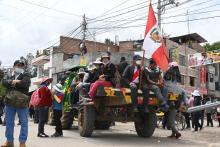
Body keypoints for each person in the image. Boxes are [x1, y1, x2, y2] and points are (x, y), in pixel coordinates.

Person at [1, 60, 31, 147]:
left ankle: (22, 142)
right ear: (14, 66)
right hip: (9, 102)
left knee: (24, 123)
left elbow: (26, 83)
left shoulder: (26, 75)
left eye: (21, 66)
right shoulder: (10, 75)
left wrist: (16, 82)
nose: (20, 67)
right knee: (9, 122)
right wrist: (13, 82)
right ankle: (9, 141)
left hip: (22, 103)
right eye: (18, 65)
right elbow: (4, 82)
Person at [163, 62, 188, 139]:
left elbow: (164, 82)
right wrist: (185, 103)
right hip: (176, 103)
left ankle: (177, 133)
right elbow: (183, 92)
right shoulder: (177, 76)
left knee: (170, 121)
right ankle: (173, 134)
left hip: (169, 103)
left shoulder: (168, 73)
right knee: (171, 120)